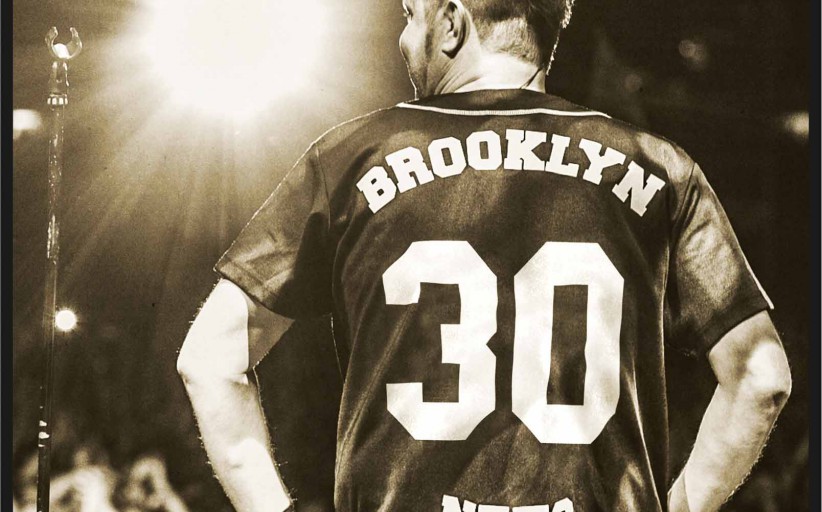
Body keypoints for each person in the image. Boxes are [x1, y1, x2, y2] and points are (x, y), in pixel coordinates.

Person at [176, 0, 792, 510]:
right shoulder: (661, 169)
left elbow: (210, 360)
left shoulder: (348, 160)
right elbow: (760, 378)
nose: (404, 38)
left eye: (410, 16)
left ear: (451, 22)